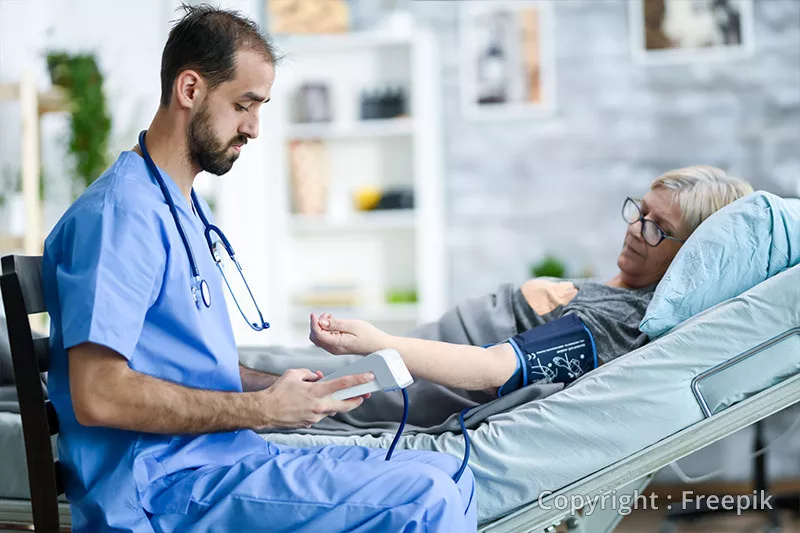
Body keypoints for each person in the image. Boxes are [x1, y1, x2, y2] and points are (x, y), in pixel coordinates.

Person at [41, 6, 476, 532]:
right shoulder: (120, 216)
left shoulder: (179, 206)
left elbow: (188, 369)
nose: (253, 128)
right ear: (190, 89)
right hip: (161, 489)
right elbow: (98, 393)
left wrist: (296, 391)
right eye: (243, 105)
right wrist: (266, 411)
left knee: (452, 475)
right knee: (426, 497)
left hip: (223, 461)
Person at [308, 167, 754, 401]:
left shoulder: (623, 320)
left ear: (691, 256)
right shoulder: (625, 283)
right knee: (280, 365)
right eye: (640, 211)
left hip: (422, 377)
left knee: (285, 379)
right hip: (427, 342)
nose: (636, 229)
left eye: (658, 228)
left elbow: (493, 369)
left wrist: (379, 344)